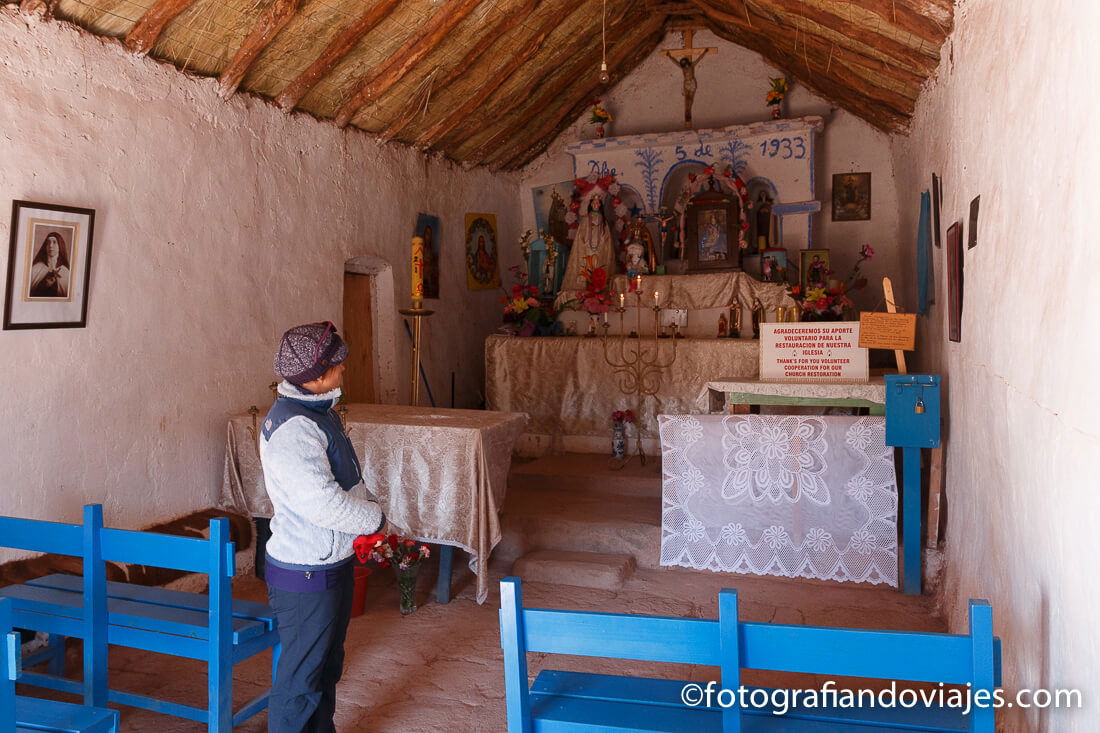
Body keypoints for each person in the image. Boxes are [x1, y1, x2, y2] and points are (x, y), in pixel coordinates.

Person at [261, 321, 386, 733]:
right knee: (300, 682)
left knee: (325, 668)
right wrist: (375, 519)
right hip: (305, 572)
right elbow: (322, 503)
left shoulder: (315, 411)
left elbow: (343, 479)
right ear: (315, 377)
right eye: (337, 364)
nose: (344, 369)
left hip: (327, 561)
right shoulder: (294, 428)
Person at [560, 195, 615, 295]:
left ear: (600, 205)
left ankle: (599, 289)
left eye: (597, 203)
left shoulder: (604, 220)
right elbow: (581, 233)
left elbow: (606, 235)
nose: (595, 205)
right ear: (590, 205)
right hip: (587, 247)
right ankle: (585, 288)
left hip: (600, 248)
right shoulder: (585, 219)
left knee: (599, 267)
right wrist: (585, 241)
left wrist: (603, 240)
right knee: (587, 267)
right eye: (593, 203)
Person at [29, 232, 71, 298]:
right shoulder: (36, 269)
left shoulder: (65, 272)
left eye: (54, 242)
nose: (50, 245)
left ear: (60, 246)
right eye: (48, 243)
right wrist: (43, 285)